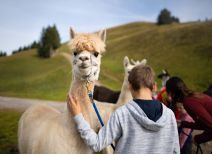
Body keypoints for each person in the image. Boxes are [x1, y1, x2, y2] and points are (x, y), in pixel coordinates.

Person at [67, 65, 180, 154]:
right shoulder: (169, 115)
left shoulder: (122, 114)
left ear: (129, 86)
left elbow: (97, 144)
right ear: (154, 86)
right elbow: (175, 150)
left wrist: (78, 116)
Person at [166, 77, 212, 145]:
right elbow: (204, 124)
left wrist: (199, 139)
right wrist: (182, 124)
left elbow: (210, 125)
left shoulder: (189, 102)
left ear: (171, 93)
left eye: (168, 93)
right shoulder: (192, 97)